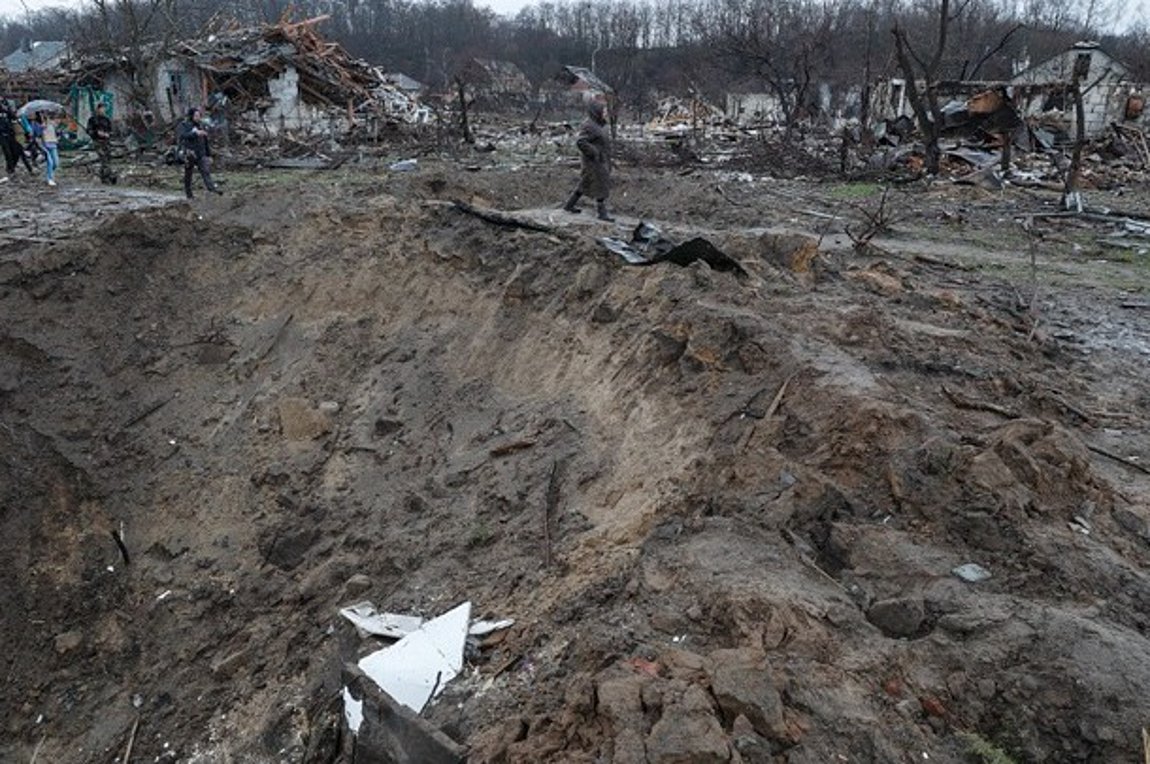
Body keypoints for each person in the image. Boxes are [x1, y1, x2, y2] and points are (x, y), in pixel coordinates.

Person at [563, 101, 614, 222]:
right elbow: (581, 142)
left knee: (585, 183)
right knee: (601, 184)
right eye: (603, 111)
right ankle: (602, 213)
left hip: (602, 159)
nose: (605, 113)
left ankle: (569, 205)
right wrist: (594, 152)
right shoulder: (589, 125)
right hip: (593, 161)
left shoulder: (600, 124)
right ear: (596, 112)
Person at [177, 107, 221, 199]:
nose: (198, 117)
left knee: (206, 171)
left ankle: (212, 190)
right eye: (196, 115)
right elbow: (183, 136)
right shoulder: (184, 125)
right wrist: (195, 133)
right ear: (191, 116)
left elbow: (205, 142)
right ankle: (189, 195)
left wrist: (208, 155)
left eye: (199, 115)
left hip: (201, 153)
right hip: (189, 153)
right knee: (188, 174)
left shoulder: (201, 125)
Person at [0, 103, 33, 181]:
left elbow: (13, 117)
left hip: (11, 135)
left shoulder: (6, 111)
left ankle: (12, 168)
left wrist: (9, 110)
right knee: (8, 153)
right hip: (2, 135)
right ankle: (12, 170)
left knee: (17, 152)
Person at [86, 102, 115, 184]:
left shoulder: (107, 119)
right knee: (103, 158)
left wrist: (108, 134)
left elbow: (111, 131)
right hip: (97, 141)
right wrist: (96, 133)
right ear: (98, 109)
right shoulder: (92, 119)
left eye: (104, 108)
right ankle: (105, 177)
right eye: (102, 108)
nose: (103, 110)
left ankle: (105, 176)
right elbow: (88, 130)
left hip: (106, 142)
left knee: (108, 159)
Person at [31, 112, 58, 187]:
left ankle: (49, 173)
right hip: (43, 145)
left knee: (56, 162)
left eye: (45, 113)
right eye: (41, 113)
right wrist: (41, 128)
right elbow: (35, 134)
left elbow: (55, 131)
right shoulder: (35, 123)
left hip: (53, 143)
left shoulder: (50, 122)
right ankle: (50, 179)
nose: (44, 115)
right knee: (50, 162)